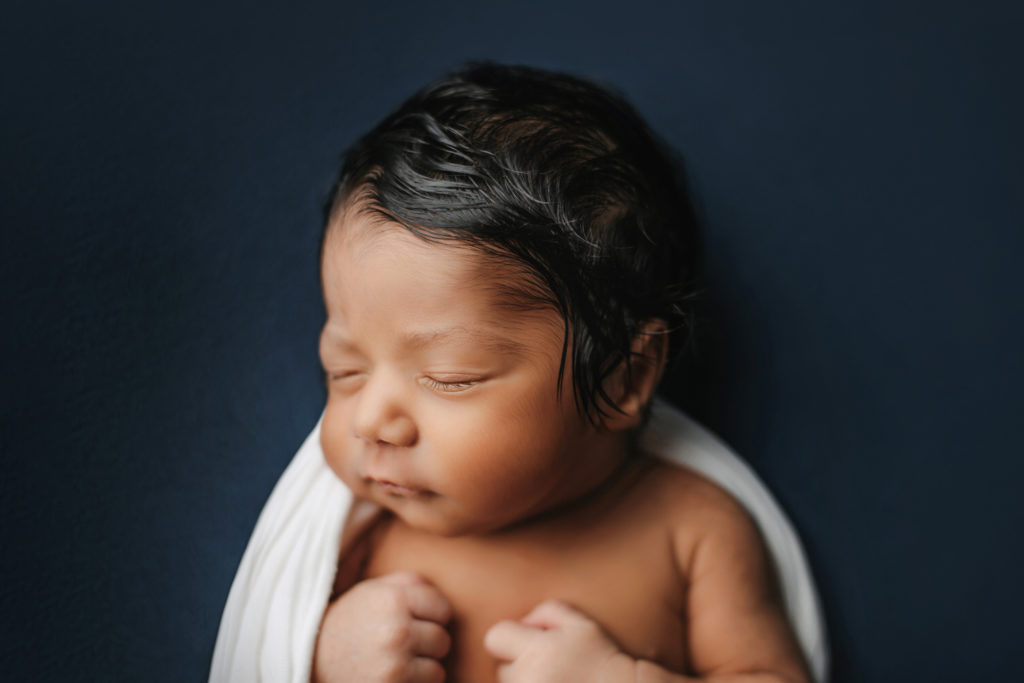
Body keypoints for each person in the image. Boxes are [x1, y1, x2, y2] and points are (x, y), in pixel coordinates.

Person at [210, 63, 826, 683]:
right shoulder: (365, 539)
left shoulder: (692, 530)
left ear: (623, 379)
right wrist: (319, 660)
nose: (371, 421)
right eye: (343, 371)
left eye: (450, 377)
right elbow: (264, 656)